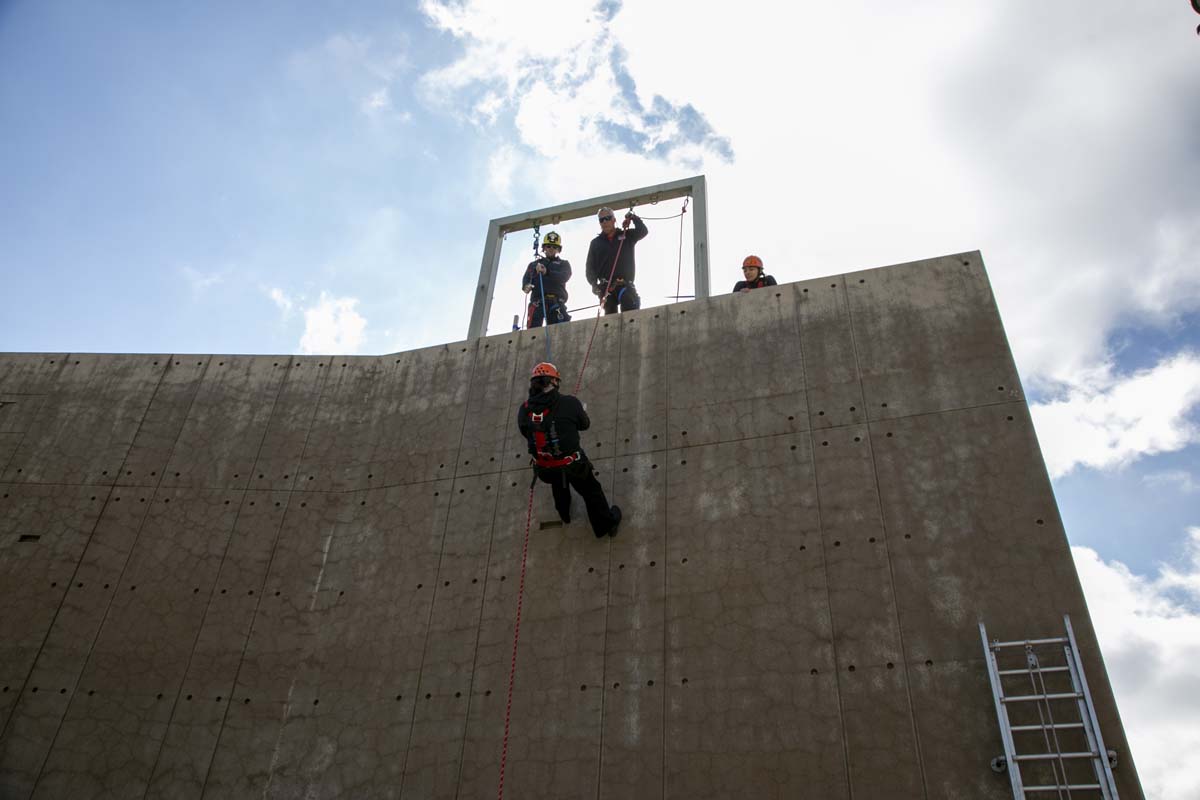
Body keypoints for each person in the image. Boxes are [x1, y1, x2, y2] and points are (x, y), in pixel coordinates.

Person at [517, 362, 622, 539]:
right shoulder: (569, 403)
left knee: (558, 485)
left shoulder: (525, 409)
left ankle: (564, 514)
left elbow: (525, 432)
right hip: (573, 465)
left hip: (545, 468)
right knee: (591, 491)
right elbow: (584, 425)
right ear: (553, 382)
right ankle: (606, 525)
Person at [585, 206, 648, 314]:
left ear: (614, 220)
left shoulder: (626, 235)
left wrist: (633, 218)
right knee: (610, 315)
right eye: (601, 220)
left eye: (608, 218)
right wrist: (594, 284)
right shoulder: (596, 243)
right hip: (606, 287)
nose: (605, 222)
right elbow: (590, 267)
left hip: (623, 283)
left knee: (629, 305)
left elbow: (643, 231)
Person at [522, 231, 572, 327]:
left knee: (562, 330)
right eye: (548, 246)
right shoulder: (533, 265)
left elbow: (564, 277)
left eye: (554, 247)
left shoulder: (563, 264)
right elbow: (526, 280)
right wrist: (526, 286)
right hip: (538, 303)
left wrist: (547, 272)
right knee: (533, 332)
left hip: (557, 302)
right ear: (544, 248)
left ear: (558, 249)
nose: (551, 249)